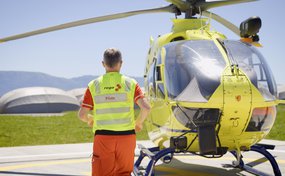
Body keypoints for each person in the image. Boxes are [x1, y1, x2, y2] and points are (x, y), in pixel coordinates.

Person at [78, 48, 150, 176]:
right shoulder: (131, 83)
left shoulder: (94, 85)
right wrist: (138, 123)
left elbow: (82, 115)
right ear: (121, 63)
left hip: (103, 138)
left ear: (103, 64)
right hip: (127, 137)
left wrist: (90, 119)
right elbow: (146, 108)